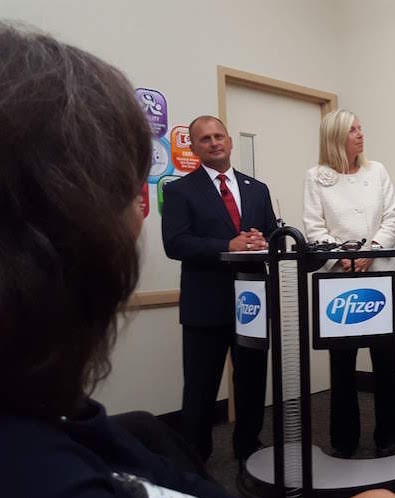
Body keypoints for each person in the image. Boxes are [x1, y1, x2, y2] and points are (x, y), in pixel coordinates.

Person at [0, 23, 232, 497]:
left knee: (148, 431)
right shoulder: (51, 479)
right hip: (205, 305)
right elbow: (181, 244)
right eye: (129, 192)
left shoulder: (55, 414)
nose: (138, 217)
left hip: (244, 307)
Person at [161, 114, 276, 466]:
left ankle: (248, 446)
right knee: (200, 387)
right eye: (205, 139)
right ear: (194, 148)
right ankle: (195, 456)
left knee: (253, 382)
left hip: (251, 304)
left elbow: (270, 234)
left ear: (229, 140)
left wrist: (261, 241)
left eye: (218, 136)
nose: (214, 143)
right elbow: (176, 243)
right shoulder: (179, 190)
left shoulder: (257, 188)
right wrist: (229, 243)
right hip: (205, 304)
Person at [303, 109, 395, 458]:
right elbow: (314, 227)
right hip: (339, 283)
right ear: (335, 137)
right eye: (353, 130)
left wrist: (372, 250)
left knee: (386, 364)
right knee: (343, 368)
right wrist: (341, 255)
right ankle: (344, 441)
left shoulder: (378, 172)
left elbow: (392, 217)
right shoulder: (316, 177)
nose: (361, 135)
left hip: (379, 278)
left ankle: (388, 438)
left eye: (361, 128)